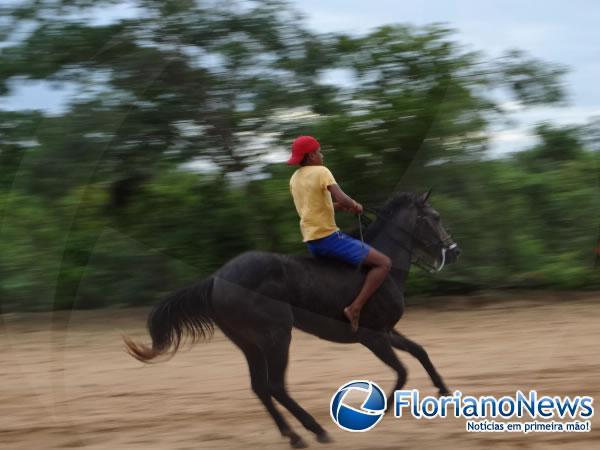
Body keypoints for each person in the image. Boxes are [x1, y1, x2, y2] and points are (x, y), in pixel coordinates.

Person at [287, 135, 391, 332]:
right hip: (329, 238)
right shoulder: (321, 171)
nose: (322, 155)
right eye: (319, 151)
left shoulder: (295, 178)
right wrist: (354, 205)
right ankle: (355, 308)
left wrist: (338, 207)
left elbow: (312, 208)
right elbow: (342, 197)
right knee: (383, 263)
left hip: (312, 241)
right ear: (310, 156)